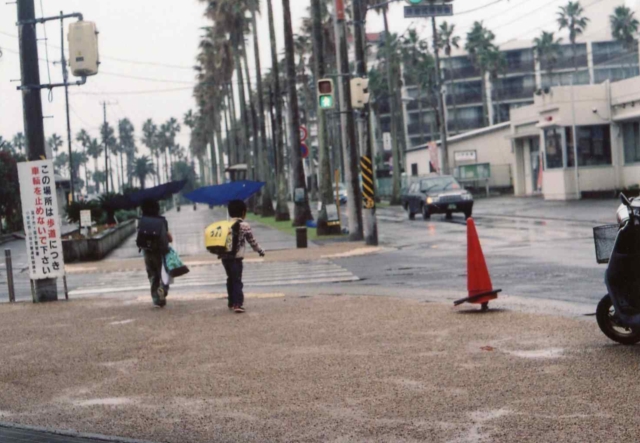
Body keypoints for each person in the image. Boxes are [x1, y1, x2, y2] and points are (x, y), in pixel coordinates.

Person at [220, 200, 265, 313]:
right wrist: (260, 250)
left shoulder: (225, 225)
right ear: (243, 212)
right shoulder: (244, 226)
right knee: (237, 280)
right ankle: (238, 304)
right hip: (236, 258)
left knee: (230, 279)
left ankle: (231, 302)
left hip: (225, 258)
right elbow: (252, 241)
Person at [140, 199, 173, 308]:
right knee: (164, 274)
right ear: (157, 208)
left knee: (153, 276)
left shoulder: (142, 221)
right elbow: (168, 237)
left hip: (147, 252)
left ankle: (156, 299)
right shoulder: (162, 221)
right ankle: (163, 290)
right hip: (160, 252)